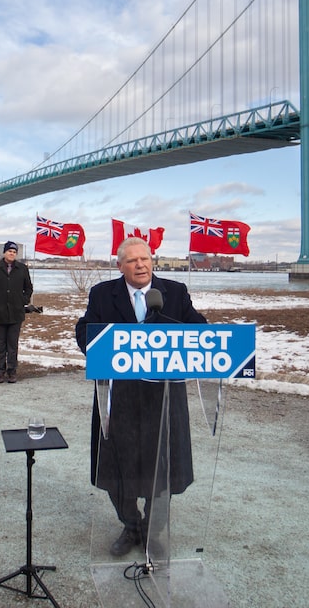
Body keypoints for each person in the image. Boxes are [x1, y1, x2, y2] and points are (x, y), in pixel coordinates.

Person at [74, 237, 204, 557]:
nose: (141, 265)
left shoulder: (174, 292)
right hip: (120, 398)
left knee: (163, 469)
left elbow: (199, 329)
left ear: (152, 260)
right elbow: (84, 330)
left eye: (145, 259)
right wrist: (100, 346)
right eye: (132, 261)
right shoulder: (103, 294)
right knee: (118, 468)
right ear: (120, 266)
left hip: (164, 399)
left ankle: (151, 531)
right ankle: (130, 524)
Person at [0, 241, 33, 383]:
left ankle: (12, 371)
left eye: (14, 252)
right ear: (4, 252)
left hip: (16, 313)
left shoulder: (22, 269)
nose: (11, 253)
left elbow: (28, 288)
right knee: (1, 344)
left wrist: (23, 300)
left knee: (12, 344)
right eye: (9, 251)